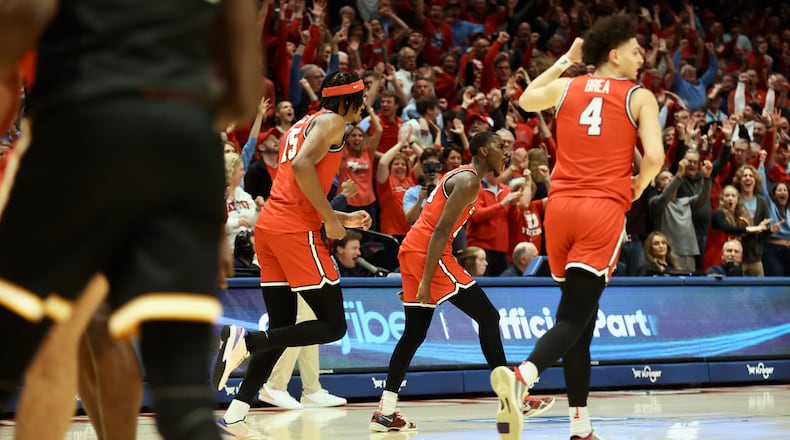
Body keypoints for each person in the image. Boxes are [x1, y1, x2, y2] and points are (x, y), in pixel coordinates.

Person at [0, 1, 260, 440]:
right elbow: (241, 93)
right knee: (180, 404)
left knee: (50, 344)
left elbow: (26, 15)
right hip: (185, 148)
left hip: (81, 133)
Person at [491, 15, 664, 440]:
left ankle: (580, 424)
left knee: (581, 320)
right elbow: (656, 159)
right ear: (614, 54)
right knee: (572, 317)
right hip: (600, 209)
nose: (642, 58)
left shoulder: (568, 85)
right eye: (636, 50)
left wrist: (565, 61)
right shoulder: (639, 96)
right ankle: (522, 377)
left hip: (560, 210)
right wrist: (638, 187)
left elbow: (528, 98)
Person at [212, 71, 372, 438]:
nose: (363, 107)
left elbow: (293, 184)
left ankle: (236, 414)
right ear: (344, 101)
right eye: (360, 99)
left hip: (271, 227)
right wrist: (332, 222)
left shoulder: (303, 123)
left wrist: (342, 216)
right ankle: (246, 340)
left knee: (283, 327)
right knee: (333, 325)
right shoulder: (333, 122)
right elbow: (302, 168)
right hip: (295, 232)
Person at [369, 132, 555, 433]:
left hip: (414, 250)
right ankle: (513, 399)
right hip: (430, 251)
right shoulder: (468, 181)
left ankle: (385, 412)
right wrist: (426, 281)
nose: (505, 153)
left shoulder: (463, 177)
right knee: (489, 316)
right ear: (482, 150)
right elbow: (441, 230)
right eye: (499, 147)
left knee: (414, 334)